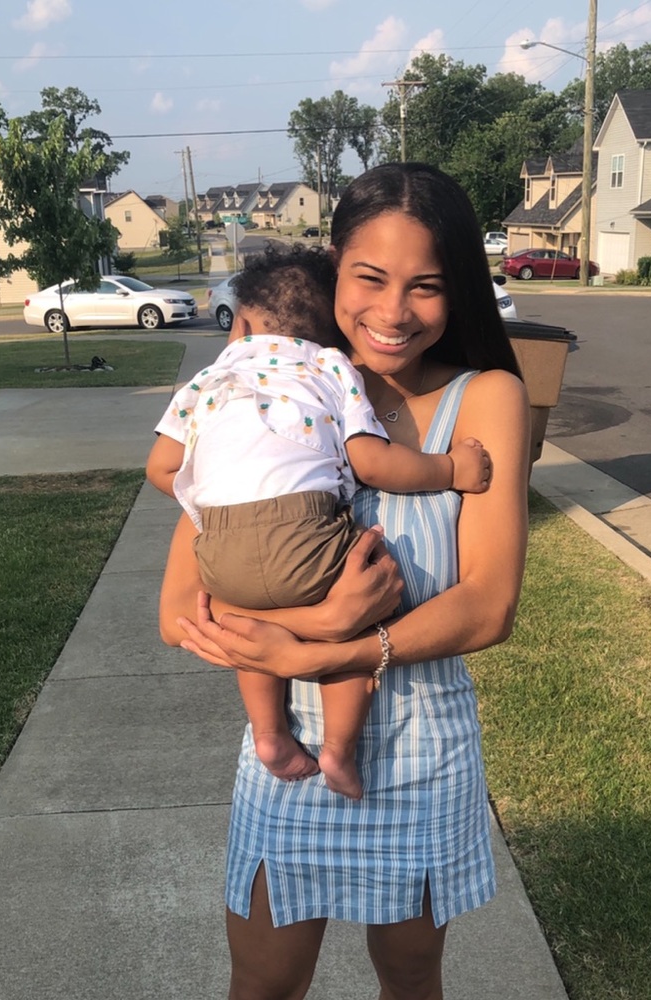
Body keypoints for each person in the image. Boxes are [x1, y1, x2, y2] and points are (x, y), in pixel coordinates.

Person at [158, 162, 531, 1000]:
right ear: (334, 268)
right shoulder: (266, 393)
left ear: (458, 288)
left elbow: (488, 604)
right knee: (263, 980)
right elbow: (181, 611)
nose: (394, 312)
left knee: (409, 976)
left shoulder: (485, 398)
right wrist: (322, 635)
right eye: (370, 278)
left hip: (423, 752)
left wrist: (323, 640)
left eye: (426, 286)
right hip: (285, 754)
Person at [147, 244, 491, 800]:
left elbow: (161, 467)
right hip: (302, 532)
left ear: (241, 324)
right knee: (359, 594)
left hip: (220, 539)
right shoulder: (330, 365)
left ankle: (270, 736)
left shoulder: (211, 380)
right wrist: (451, 468)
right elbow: (369, 462)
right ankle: (338, 749)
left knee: (251, 620)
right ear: (332, 330)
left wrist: (215, 491)